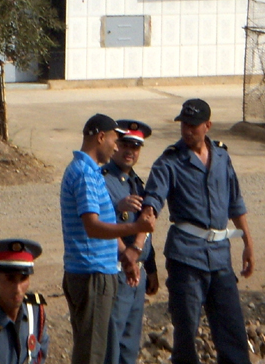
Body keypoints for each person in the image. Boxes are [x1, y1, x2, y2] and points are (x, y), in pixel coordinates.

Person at [140, 98, 255, 364]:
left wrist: (248, 242)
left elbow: (235, 202)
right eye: (184, 124)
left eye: (193, 125)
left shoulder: (222, 157)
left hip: (220, 257)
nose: (187, 130)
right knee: (186, 333)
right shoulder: (169, 161)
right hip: (186, 257)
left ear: (208, 126)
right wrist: (149, 213)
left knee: (232, 328)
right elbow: (155, 197)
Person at [60, 113, 155, 364]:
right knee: (93, 355)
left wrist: (127, 260)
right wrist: (135, 227)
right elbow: (93, 226)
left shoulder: (88, 171)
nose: (116, 146)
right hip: (91, 274)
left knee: (101, 349)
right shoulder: (86, 173)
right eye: (115, 139)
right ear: (100, 137)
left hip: (97, 272)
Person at [101, 120, 159, 364]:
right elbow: (99, 223)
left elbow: (146, 227)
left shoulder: (137, 182)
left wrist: (152, 266)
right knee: (112, 342)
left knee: (130, 345)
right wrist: (117, 208)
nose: (130, 152)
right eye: (125, 144)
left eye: (136, 147)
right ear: (115, 145)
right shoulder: (103, 180)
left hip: (138, 273)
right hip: (117, 271)